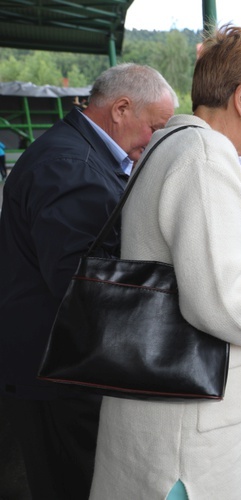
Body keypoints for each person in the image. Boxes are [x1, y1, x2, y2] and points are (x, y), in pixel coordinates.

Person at [88, 25, 241, 499]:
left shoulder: (172, 144)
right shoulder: (204, 157)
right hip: (195, 433)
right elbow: (219, 299)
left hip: (175, 408)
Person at [0, 63, 177, 500]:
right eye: (154, 127)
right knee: (71, 484)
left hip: (52, 362)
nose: (153, 141)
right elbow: (83, 286)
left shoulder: (77, 152)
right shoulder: (71, 166)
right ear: (121, 109)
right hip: (56, 373)